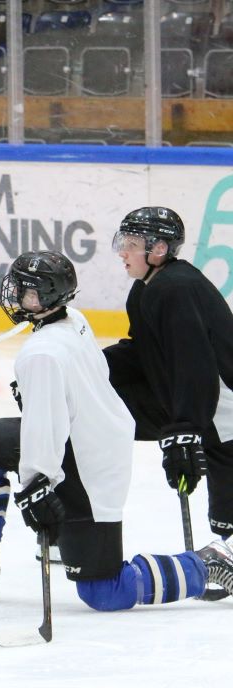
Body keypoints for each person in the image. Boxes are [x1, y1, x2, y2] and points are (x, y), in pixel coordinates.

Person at [0, 250, 233, 611]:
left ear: (39, 298)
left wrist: (36, 487)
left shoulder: (39, 355)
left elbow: (45, 432)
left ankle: (208, 563)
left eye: (22, 289)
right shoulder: (72, 319)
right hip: (100, 444)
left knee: (105, 590)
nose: (13, 294)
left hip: (86, 469)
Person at [104, 207, 233, 598]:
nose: (122, 252)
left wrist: (184, 430)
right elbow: (145, 352)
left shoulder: (174, 288)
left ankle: (227, 552)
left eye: (130, 245)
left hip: (218, 403)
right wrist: (85, 369)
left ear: (157, 249)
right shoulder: (147, 287)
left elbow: (193, 364)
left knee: (225, 460)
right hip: (189, 400)